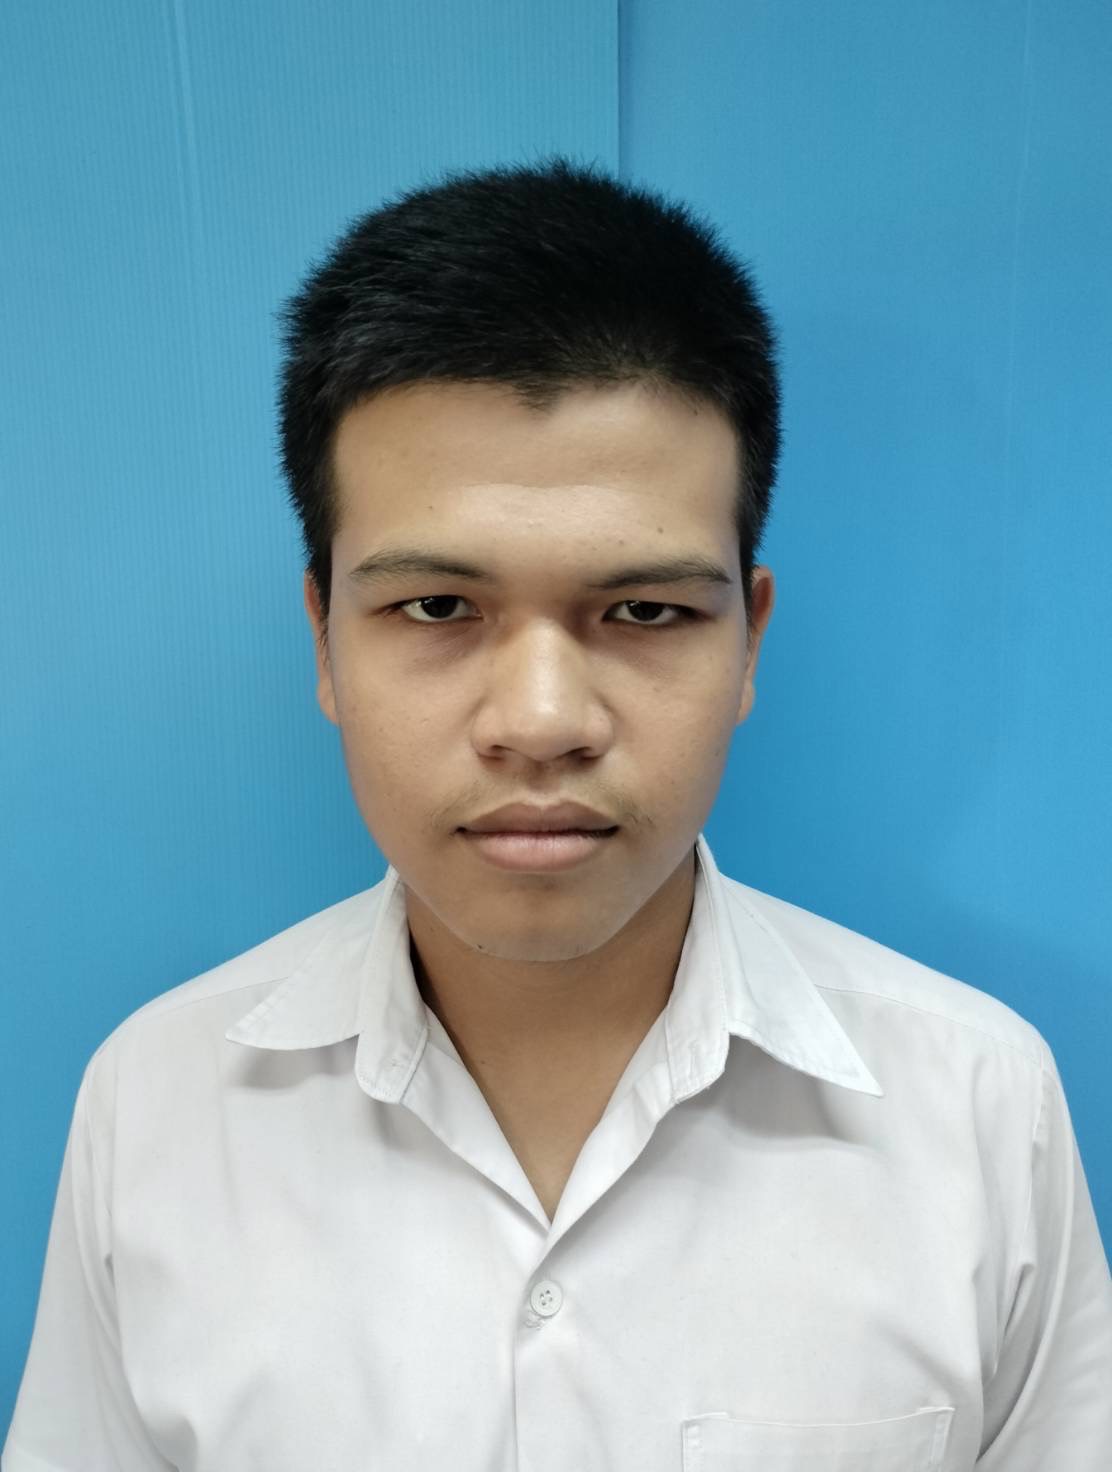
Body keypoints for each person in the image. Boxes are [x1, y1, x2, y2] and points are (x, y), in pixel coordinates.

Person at [4, 158, 1110, 1472]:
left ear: (748, 641)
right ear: (323, 636)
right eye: (437, 608)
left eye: (643, 611)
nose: (540, 722)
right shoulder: (159, 1103)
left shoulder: (976, 1103)